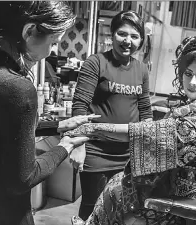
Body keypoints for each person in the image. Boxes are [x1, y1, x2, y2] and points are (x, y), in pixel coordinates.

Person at [67, 34, 196, 225]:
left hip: (188, 207)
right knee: (116, 184)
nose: (192, 82)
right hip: (179, 191)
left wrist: (93, 129)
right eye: (188, 73)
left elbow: (157, 134)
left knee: (118, 193)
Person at [0, 2, 95, 225]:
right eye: (53, 42)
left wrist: (56, 127)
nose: (52, 51)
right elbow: (23, 178)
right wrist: (66, 146)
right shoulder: (17, 87)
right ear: (29, 31)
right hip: (3, 213)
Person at [69, 10, 153, 221]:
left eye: (134, 36)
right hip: (96, 152)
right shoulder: (96, 62)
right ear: (112, 34)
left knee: (122, 208)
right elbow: (80, 106)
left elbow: (145, 110)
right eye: (122, 34)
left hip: (128, 154)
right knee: (93, 206)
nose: (128, 41)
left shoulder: (141, 69)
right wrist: (78, 145)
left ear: (141, 40)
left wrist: (150, 146)